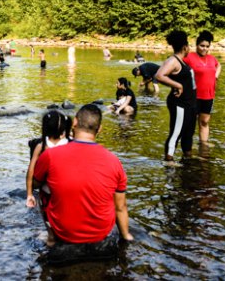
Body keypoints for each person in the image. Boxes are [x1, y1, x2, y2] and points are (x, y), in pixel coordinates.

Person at [33, 104, 133, 245]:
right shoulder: (114, 161)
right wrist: (126, 236)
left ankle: (51, 237)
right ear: (99, 129)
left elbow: (34, 183)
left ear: (74, 122)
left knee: (42, 187)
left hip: (64, 233)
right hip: (100, 233)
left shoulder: (50, 155)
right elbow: (121, 207)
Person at [25, 111, 71, 245]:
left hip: (47, 190)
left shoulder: (41, 146)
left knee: (47, 212)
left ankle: (51, 236)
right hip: (67, 189)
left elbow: (31, 170)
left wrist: (29, 194)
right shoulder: (69, 143)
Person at [155, 30, 197, 162]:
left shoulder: (181, 61)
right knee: (176, 133)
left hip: (189, 104)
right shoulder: (173, 61)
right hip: (179, 104)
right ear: (185, 47)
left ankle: (187, 158)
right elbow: (159, 75)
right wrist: (178, 86)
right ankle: (169, 161)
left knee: (188, 133)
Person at [184, 30, 221, 144]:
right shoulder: (189, 57)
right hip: (194, 96)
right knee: (190, 123)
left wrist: (215, 76)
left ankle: (203, 146)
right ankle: (188, 148)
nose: (204, 48)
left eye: (207, 46)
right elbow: (177, 66)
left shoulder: (211, 58)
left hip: (208, 96)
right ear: (196, 45)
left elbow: (218, 65)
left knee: (204, 122)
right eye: (202, 46)